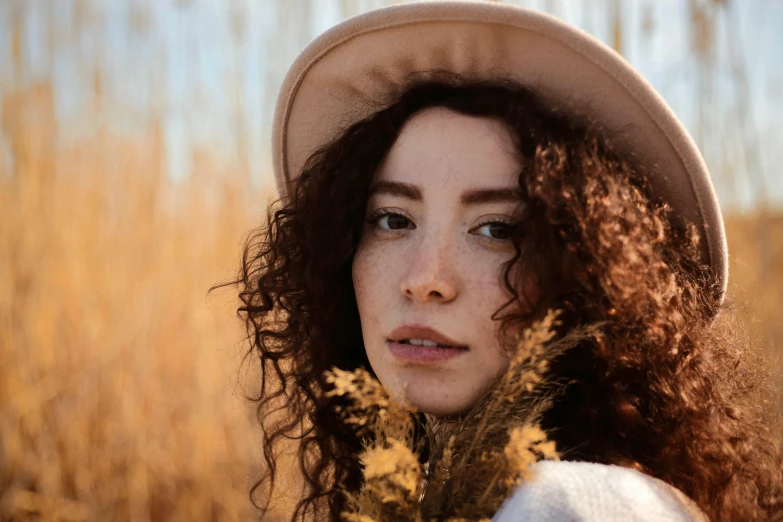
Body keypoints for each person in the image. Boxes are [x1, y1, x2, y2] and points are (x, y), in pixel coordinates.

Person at [235, 2, 783, 521]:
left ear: (587, 274)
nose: (426, 279)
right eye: (393, 220)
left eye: (497, 230)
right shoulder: (455, 492)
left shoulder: (570, 505)